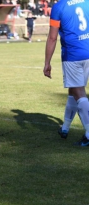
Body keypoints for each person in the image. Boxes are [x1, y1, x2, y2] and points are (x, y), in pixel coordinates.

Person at [43, 0, 89, 146]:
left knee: (79, 92)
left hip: (73, 55)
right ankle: (65, 128)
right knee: (73, 90)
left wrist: (47, 62)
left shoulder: (58, 7)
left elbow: (52, 37)